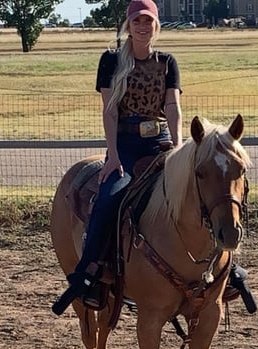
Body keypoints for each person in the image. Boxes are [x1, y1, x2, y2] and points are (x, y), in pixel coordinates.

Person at [53, 0, 180, 313]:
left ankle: (225, 271)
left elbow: (173, 107)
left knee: (199, 190)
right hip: (124, 142)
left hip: (159, 143)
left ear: (156, 26)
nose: (142, 26)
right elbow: (109, 111)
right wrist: (112, 155)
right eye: (137, 21)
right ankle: (90, 273)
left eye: (147, 21)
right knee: (110, 196)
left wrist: (178, 148)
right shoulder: (111, 60)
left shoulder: (167, 62)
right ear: (128, 24)